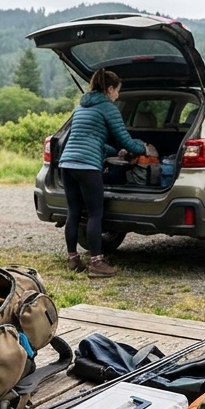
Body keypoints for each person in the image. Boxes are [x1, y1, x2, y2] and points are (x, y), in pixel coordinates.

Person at [58, 69, 152, 278]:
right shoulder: (108, 107)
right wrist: (142, 147)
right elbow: (125, 140)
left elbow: (91, 141)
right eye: (117, 91)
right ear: (109, 89)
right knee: (95, 214)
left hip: (67, 164)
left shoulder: (81, 106)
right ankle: (97, 263)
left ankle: (73, 259)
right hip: (86, 166)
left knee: (73, 212)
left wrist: (115, 152)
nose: (117, 95)